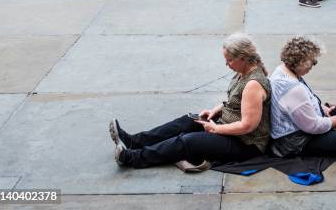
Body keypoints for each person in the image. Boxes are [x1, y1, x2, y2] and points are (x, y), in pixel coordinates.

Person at [110, 34, 271, 170]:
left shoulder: (253, 84)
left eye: (229, 60)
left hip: (246, 145)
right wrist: (218, 109)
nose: (226, 64)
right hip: (228, 125)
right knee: (187, 121)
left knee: (189, 141)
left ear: (242, 58)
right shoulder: (242, 71)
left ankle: (132, 158)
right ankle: (133, 141)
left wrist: (217, 128)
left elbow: (247, 125)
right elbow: (238, 102)